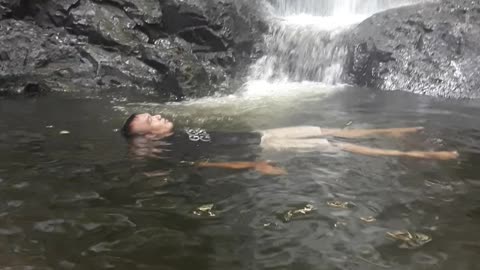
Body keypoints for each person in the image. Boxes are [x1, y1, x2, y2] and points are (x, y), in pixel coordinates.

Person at [121, 113, 459, 175]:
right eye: (152, 121)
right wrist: (255, 164)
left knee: (322, 128)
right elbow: (205, 164)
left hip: (263, 135)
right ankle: (414, 153)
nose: (159, 117)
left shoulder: (177, 135)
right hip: (263, 150)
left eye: (153, 114)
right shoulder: (171, 150)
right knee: (333, 145)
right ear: (148, 136)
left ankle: (392, 132)